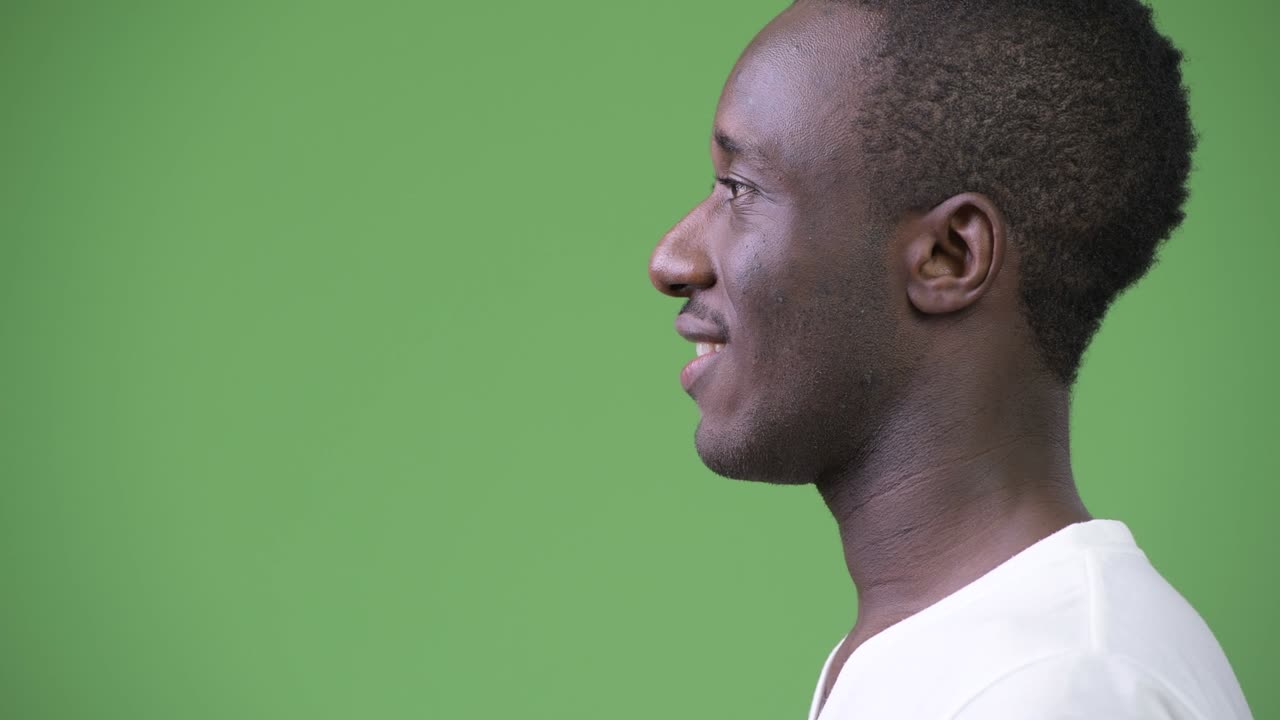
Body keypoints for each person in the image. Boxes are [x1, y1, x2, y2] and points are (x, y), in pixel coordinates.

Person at [647, 1, 1252, 717]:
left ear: (948, 257)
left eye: (739, 189)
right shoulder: (959, 655)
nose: (671, 259)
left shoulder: (1052, 689)